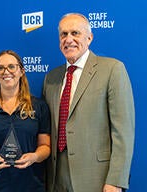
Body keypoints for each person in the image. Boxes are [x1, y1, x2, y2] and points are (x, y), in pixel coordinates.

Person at [43, 13, 135, 192]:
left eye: (75, 33)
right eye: (63, 34)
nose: (68, 39)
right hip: (55, 177)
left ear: (89, 37)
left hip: (97, 178)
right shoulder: (51, 78)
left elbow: (123, 132)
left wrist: (116, 180)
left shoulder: (112, 69)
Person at [0, 50, 51, 192]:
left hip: (30, 185)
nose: (6, 72)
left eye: (11, 67)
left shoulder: (39, 107)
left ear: (21, 71)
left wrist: (35, 157)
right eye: (0, 68)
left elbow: (45, 146)